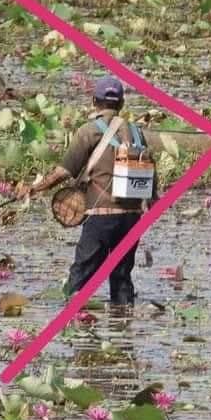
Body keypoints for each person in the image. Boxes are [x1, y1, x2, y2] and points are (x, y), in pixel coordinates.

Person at [15, 75, 158, 306]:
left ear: (94, 101)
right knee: (122, 278)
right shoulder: (137, 132)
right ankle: (123, 322)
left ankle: (71, 318)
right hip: (132, 218)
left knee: (80, 276)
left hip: (101, 217)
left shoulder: (88, 132)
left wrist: (35, 188)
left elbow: (63, 172)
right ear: (122, 103)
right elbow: (151, 172)